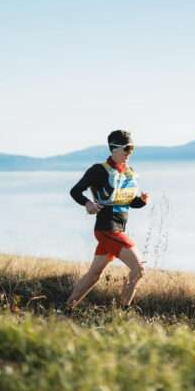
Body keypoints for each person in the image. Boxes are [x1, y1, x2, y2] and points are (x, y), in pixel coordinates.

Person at [66, 130, 150, 311]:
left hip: (118, 229)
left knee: (94, 274)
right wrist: (88, 203)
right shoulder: (98, 171)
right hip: (107, 229)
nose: (130, 153)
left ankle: (67, 309)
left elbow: (128, 201)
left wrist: (141, 201)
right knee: (139, 267)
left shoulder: (128, 173)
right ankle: (123, 312)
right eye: (127, 149)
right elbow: (75, 191)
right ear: (114, 149)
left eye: (132, 149)